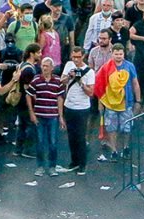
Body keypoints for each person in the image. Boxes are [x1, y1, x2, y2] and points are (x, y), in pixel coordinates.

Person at [27, 56, 65, 176]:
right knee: (40, 142)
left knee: (53, 143)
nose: (44, 68)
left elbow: (60, 98)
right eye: (43, 66)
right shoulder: (36, 80)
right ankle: (40, 166)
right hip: (39, 116)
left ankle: (52, 167)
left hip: (53, 116)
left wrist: (61, 116)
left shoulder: (57, 81)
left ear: (52, 68)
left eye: (47, 66)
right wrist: (32, 113)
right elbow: (28, 94)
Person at [60, 46, 95, 174]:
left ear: (83, 56)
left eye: (78, 57)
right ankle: (74, 161)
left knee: (80, 136)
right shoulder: (69, 65)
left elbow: (90, 92)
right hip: (69, 106)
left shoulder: (89, 72)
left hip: (82, 108)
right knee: (71, 136)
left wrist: (80, 81)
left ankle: (82, 163)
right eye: (73, 57)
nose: (75, 60)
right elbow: (61, 82)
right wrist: (69, 76)